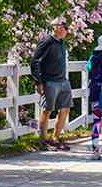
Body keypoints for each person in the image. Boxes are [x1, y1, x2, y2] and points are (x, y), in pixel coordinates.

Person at [29, 19, 72, 151]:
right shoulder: (47, 41)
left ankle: (55, 138)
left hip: (63, 81)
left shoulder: (61, 43)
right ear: (58, 28)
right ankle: (43, 140)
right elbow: (34, 61)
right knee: (47, 110)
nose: (67, 31)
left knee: (65, 108)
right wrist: (39, 82)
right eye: (65, 28)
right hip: (50, 81)